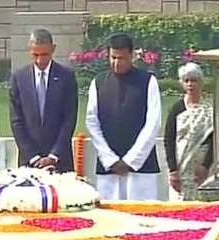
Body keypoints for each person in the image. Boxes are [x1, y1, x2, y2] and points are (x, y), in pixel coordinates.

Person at [86, 33, 161, 200]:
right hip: (109, 168)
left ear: (132, 55)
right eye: (113, 57)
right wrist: (109, 159)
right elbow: (92, 122)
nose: (117, 63)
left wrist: (131, 160)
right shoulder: (98, 82)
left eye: (122, 58)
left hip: (141, 169)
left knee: (144, 219)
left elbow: (153, 123)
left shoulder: (148, 81)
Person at [10, 29, 78, 172]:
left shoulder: (66, 77)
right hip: (29, 162)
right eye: (35, 55)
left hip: (60, 160)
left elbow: (69, 119)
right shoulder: (19, 78)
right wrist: (33, 157)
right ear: (29, 49)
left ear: (53, 49)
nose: (40, 60)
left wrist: (54, 155)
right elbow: (17, 121)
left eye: (45, 55)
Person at [164, 62, 213, 201]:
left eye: (194, 80)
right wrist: (173, 170)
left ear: (201, 82)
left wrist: (205, 166)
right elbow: (169, 139)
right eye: (186, 81)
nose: (190, 84)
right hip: (180, 168)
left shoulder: (209, 110)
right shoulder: (177, 108)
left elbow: (214, 141)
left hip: (202, 171)